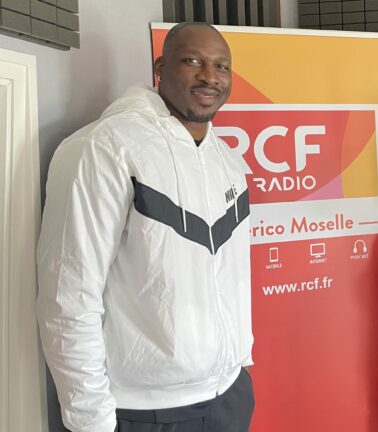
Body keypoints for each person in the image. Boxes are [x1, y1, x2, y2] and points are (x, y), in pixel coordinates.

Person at [37, 22, 254, 432]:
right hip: (146, 413)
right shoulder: (103, 148)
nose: (210, 76)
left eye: (222, 66)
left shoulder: (226, 160)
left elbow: (231, 277)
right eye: (193, 61)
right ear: (160, 67)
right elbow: (67, 296)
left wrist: (240, 367)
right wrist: (92, 422)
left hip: (230, 397)